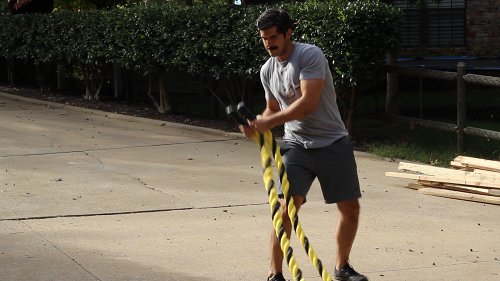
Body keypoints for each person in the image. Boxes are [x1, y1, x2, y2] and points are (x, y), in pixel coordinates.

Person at [240, 8, 368, 281]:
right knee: (287, 208)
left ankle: (342, 268)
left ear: (288, 33)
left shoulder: (310, 55)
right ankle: (275, 274)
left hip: (332, 141)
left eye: (273, 37)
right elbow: (272, 109)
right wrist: (256, 125)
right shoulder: (267, 70)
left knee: (350, 209)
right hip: (297, 145)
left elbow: (308, 104)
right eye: (263, 39)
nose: (268, 44)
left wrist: (269, 121)